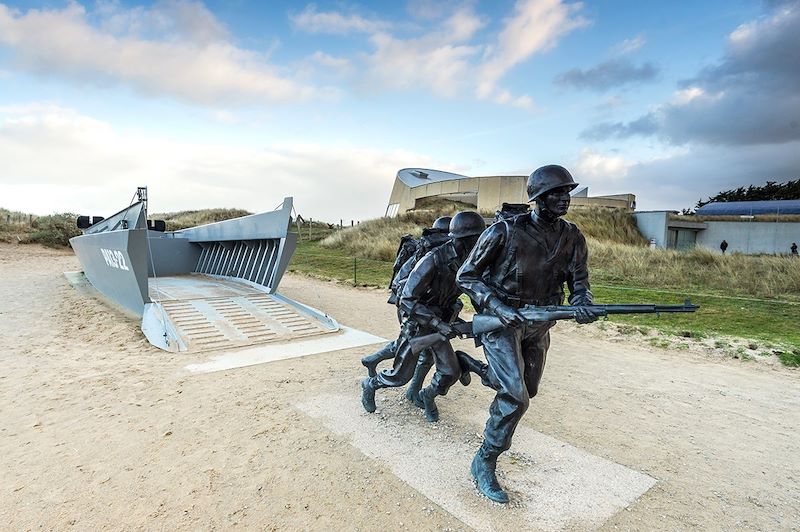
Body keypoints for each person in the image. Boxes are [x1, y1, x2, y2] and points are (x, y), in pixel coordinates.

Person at [456, 164, 600, 503]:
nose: (565, 198)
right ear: (538, 198)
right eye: (556, 193)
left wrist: (583, 304)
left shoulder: (573, 236)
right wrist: (497, 306)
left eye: (567, 192)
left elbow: (579, 282)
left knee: (527, 389)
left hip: (540, 324)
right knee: (515, 397)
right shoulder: (504, 231)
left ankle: (478, 369)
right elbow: (467, 275)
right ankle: (485, 459)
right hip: (502, 323)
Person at [361, 211, 487, 421]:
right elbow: (407, 299)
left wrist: (484, 318)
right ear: (465, 239)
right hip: (419, 325)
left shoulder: (468, 263)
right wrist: (436, 322)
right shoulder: (433, 260)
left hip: (441, 326)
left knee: (449, 372)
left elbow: (475, 292)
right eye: (477, 239)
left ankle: (427, 396)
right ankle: (370, 384)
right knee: (400, 376)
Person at [361, 217, 452, 405]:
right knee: (408, 350)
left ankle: (413, 390)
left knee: (424, 351)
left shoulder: (452, 258)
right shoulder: (426, 254)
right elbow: (401, 286)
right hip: (413, 311)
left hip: (433, 313)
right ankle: (374, 379)